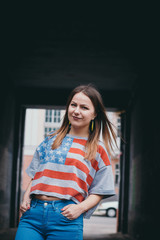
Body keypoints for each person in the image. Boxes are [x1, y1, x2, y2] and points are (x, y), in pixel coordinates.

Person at [15, 84, 117, 240]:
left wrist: (80, 208)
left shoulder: (98, 149)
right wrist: (25, 197)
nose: (76, 111)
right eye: (73, 105)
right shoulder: (50, 140)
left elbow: (101, 190)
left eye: (84, 107)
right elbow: (36, 174)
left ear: (95, 113)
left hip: (66, 218)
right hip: (32, 216)